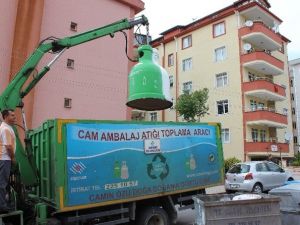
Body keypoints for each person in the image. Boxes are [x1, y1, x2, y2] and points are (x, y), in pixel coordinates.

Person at [0, 109, 16, 214]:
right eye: (12, 115)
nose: (15, 117)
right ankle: (2, 206)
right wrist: (13, 158)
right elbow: (9, 146)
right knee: (2, 183)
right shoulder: (5, 128)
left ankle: (3, 204)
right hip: (5, 158)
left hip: (4, 158)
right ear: (5, 116)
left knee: (3, 183)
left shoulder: (6, 127)